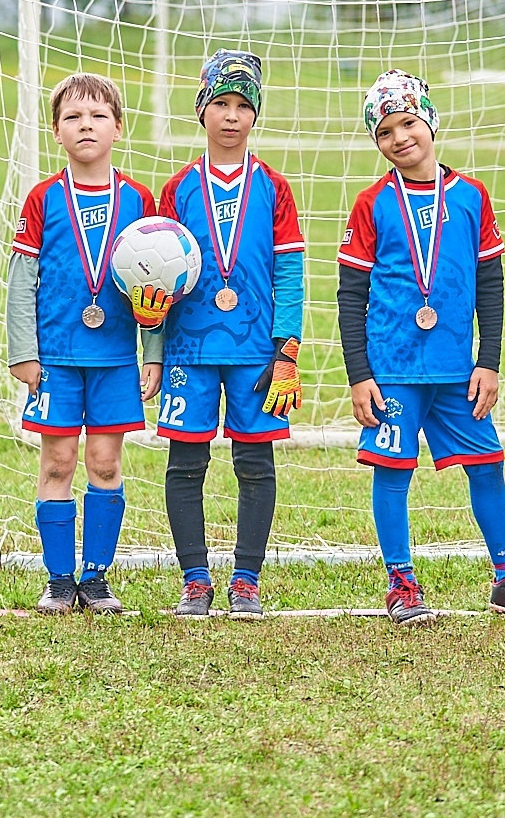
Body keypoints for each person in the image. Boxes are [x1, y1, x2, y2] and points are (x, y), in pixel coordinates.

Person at [337, 69, 505, 625]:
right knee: (393, 469)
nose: (399, 138)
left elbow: (491, 283)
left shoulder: (471, 196)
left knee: (487, 463)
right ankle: (402, 584)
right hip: (392, 368)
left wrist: (488, 362)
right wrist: (360, 373)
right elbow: (350, 295)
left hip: (457, 369)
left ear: (430, 121)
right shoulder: (372, 204)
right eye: (385, 131)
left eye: (408, 122)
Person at [149, 51, 306, 620]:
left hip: (257, 351)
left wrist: (286, 349)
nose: (232, 116)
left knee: (255, 463)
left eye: (244, 105)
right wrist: (155, 341)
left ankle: (245, 580)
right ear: (202, 110)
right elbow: (156, 270)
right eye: (221, 103)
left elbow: (289, 271)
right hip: (191, 347)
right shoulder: (177, 190)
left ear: (256, 114)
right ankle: (195, 579)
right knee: (185, 464)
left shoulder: (276, 189)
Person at [8, 74, 161, 616]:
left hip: (116, 358)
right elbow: (23, 278)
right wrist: (23, 350)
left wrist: (154, 354)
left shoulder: (139, 199)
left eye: (97, 116)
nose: (86, 126)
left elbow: (157, 282)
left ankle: (96, 580)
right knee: (57, 462)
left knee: (103, 462)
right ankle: (57, 579)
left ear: (118, 127)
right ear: (56, 132)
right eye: (73, 117)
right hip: (55, 358)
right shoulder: (44, 198)